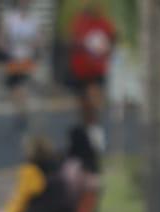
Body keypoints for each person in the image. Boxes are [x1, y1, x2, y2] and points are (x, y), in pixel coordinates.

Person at [66, 2, 118, 146]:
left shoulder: (103, 23)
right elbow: (72, 40)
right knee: (84, 105)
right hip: (80, 70)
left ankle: (96, 134)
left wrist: (106, 51)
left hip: (96, 70)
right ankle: (88, 133)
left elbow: (112, 38)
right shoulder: (79, 21)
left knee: (93, 100)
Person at [0, 0, 44, 132]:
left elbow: (40, 38)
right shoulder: (10, 18)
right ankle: (20, 110)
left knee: (21, 85)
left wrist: (35, 46)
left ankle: (22, 112)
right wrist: (4, 46)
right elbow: (2, 36)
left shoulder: (35, 19)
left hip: (27, 58)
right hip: (13, 57)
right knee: (14, 87)